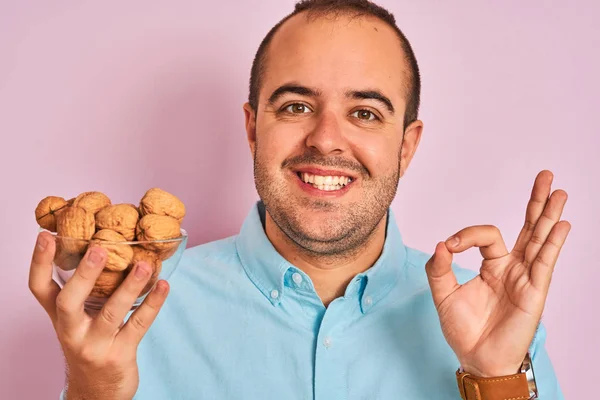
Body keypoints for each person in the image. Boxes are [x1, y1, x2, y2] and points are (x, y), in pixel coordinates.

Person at [29, 0, 571, 399]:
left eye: (365, 113)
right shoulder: (130, 314)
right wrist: (94, 388)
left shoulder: (492, 322)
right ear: (252, 128)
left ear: (406, 146)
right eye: (294, 106)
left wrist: (495, 378)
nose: (326, 138)